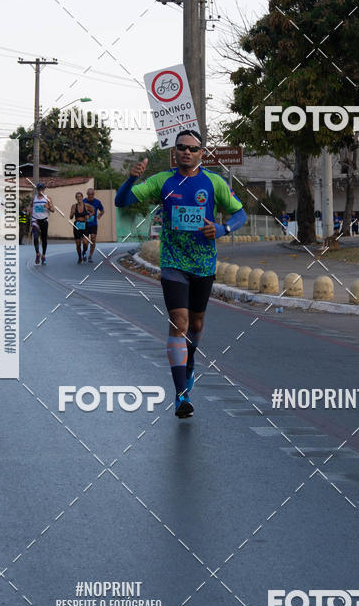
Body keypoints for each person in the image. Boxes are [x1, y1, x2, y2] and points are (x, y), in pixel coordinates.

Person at [115, 129, 247, 419]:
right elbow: (121, 202)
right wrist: (131, 178)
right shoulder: (163, 181)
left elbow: (241, 215)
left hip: (203, 265)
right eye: (181, 147)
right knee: (180, 322)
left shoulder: (214, 182)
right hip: (173, 264)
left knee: (196, 325)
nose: (186, 152)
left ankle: (189, 363)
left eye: (193, 148)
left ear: (202, 153)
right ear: (174, 152)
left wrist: (223, 229)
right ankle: (180, 395)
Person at [31, 183, 54, 265]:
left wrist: (48, 207)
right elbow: (30, 207)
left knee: (44, 239)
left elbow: (53, 209)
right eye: (39, 189)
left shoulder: (47, 198)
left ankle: (43, 256)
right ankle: (37, 254)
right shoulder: (34, 198)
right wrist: (28, 210)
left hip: (44, 220)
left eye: (42, 189)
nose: (40, 190)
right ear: (37, 189)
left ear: (44, 189)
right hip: (35, 220)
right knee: (36, 237)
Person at [83, 187, 105, 263]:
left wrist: (99, 215)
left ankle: (90, 256)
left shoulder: (97, 202)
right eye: (89, 194)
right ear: (87, 194)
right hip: (85, 224)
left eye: (92, 194)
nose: (91, 196)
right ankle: (84, 252)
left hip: (93, 224)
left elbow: (102, 210)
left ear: (94, 194)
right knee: (85, 241)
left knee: (93, 239)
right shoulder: (83, 201)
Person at [69, 192, 90, 263]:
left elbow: (93, 211)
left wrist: (89, 216)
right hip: (77, 225)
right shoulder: (74, 206)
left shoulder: (86, 205)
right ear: (76, 198)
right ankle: (79, 257)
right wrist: (72, 213)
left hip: (84, 225)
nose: (79, 198)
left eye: (80, 197)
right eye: (77, 197)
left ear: (82, 197)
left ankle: (84, 252)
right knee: (78, 244)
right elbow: (71, 217)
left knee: (86, 242)